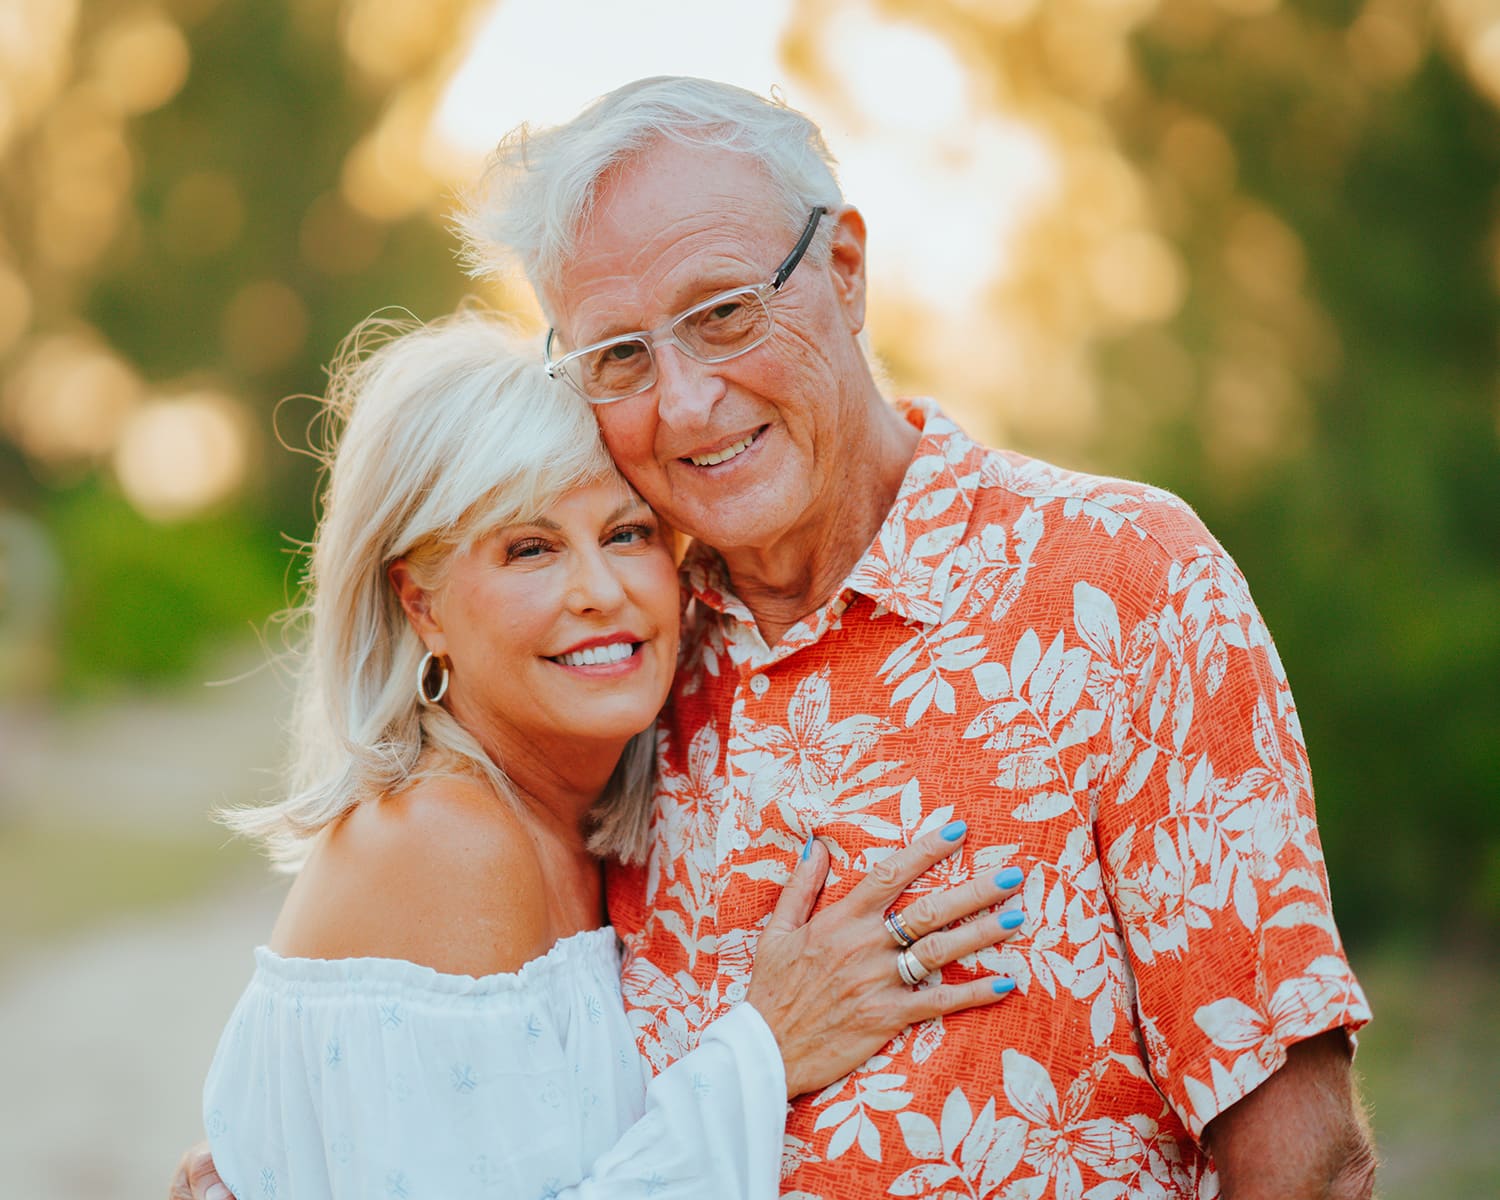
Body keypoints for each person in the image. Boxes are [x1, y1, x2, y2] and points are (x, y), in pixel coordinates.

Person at [182, 75, 1376, 1198]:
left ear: (845, 271)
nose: (687, 400)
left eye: (724, 313)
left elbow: (1303, 1156)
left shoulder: (1119, 582)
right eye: (620, 357)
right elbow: (452, 1054)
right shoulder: (637, 662)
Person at [185, 310, 1027, 1200]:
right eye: (530, 548)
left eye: (628, 535)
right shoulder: (445, 841)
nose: (599, 591)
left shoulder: (572, 818)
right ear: (422, 604)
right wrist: (769, 1047)